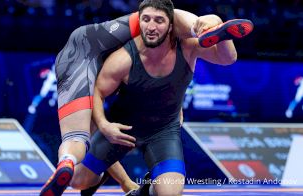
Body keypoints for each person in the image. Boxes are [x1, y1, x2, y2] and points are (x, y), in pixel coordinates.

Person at [70, 0, 253, 195]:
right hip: (124, 128)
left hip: (163, 132)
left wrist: (221, 33)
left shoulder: (188, 47)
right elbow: (97, 92)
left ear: (171, 26)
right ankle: (99, 176)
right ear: (137, 22)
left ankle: (144, 191)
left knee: (169, 194)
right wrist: (105, 125)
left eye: (159, 20)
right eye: (146, 20)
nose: (151, 26)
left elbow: (228, 58)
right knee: (78, 182)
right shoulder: (123, 58)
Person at [39, 4, 209, 196]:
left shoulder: (131, 53)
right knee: (93, 138)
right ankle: (202, 26)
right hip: (90, 53)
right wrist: (126, 182)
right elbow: (174, 17)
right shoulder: (123, 60)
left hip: (76, 53)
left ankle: (67, 161)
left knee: (76, 137)